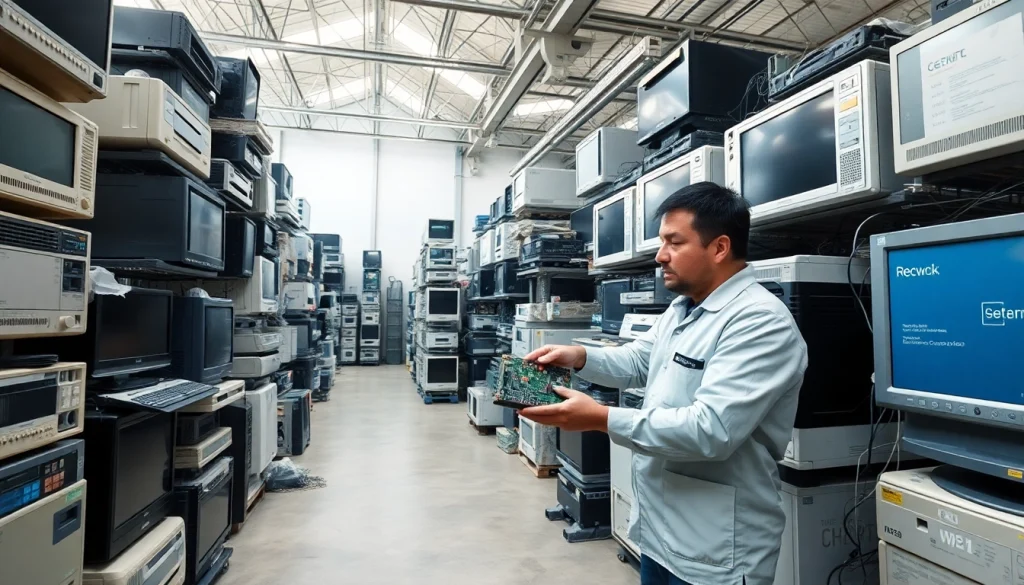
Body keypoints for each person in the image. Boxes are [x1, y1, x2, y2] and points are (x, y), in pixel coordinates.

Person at [520, 182, 808, 585]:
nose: (660, 256)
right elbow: (640, 360)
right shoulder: (682, 308)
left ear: (720, 248)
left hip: (716, 550)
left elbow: (711, 430)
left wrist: (601, 418)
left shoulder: (759, 321)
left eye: (674, 242)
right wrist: (580, 357)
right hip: (660, 533)